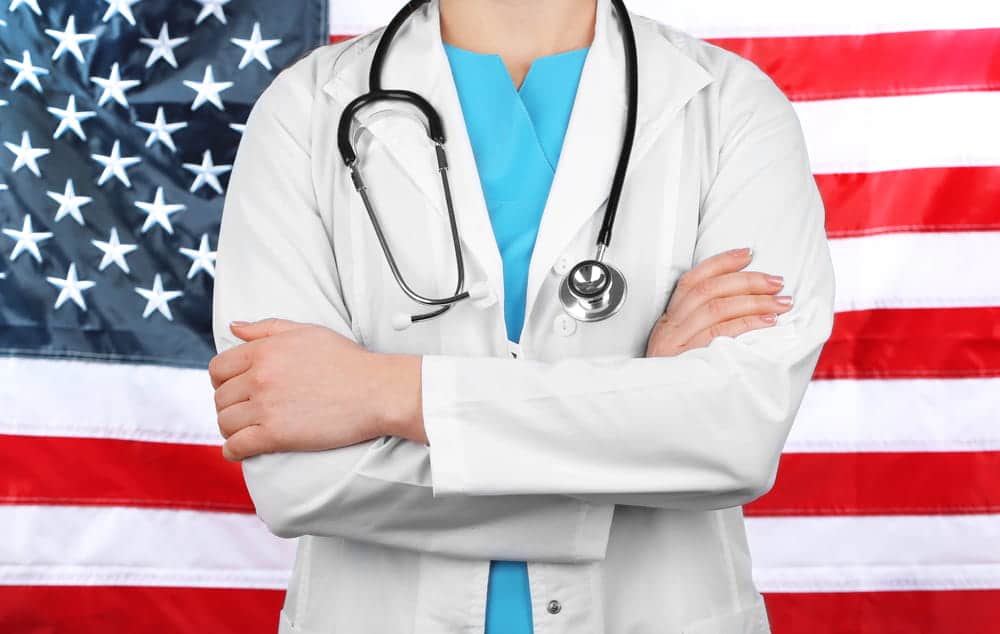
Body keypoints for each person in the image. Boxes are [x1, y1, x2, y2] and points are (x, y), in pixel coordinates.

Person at [207, 0, 836, 632]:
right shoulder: (306, 110)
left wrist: (382, 392)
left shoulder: (731, 107)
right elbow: (300, 480)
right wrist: (643, 409)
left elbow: (735, 432)